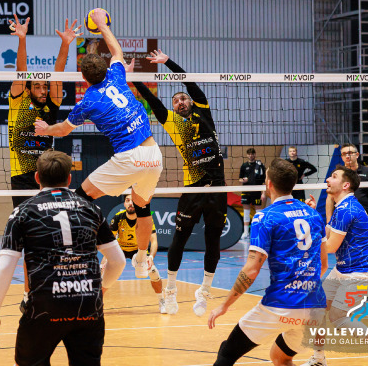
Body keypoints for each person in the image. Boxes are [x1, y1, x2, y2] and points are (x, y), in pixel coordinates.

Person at [34, 8, 163, 279]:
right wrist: (103, 25)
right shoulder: (117, 75)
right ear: (107, 69)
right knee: (143, 208)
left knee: (80, 198)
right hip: (154, 154)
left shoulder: (88, 101)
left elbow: (64, 130)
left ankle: (94, 251)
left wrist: (46, 129)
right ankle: (142, 260)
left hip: (129, 157)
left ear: (83, 79)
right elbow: (116, 51)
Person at [0, 150, 125, 365]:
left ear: (37, 177)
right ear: (69, 178)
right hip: (87, 305)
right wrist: (101, 291)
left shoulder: (23, 212)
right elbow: (118, 262)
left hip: (44, 307)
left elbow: (5, 268)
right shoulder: (92, 209)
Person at [131, 49, 226, 316]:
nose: (180, 102)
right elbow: (151, 99)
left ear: (191, 101)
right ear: (173, 107)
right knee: (179, 240)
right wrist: (133, 78)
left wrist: (167, 63)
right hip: (193, 187)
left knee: (213, 241)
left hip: (218, 186)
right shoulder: (171, 121)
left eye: (183, 98)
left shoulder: (203, 109)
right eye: (175, 101)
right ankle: (170, 291)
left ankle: (204, 292)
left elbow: (189, 82)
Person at [208, 158, 327, 366]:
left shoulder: (265, 217)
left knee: (227, 353)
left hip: (280, 305)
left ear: (269, 183)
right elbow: (323, 265)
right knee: (280, 357)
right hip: (314, 309)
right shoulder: (314, 215)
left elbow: (251, 270)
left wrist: (224, 306)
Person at [8, 15, 81, 311]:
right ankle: (29, 293)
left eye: (43, 86)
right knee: (27, 241)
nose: (41, 89)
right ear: (28, 88)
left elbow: (58, 71)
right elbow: (20, 70)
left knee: (53, 238)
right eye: (36, 86)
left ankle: (54, 287)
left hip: (48, 179)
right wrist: (22, 39)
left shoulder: (52, 106)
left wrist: (66, 45)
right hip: (22, 178)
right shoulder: (18, 100)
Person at [301, 165, 368, 366]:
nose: (328, 180)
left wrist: (307, 242)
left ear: (345, 185)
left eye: (333, 176)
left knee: (337, 316)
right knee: (316, 308)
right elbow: (327, 233)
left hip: (363, 274)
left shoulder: (348, 209)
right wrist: (312, 214)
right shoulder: (342, 207)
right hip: (344, 270)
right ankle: (318, 359)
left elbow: (329, 247)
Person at [326, 143, 368, 305]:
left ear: (357, 155)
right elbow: (330, 200)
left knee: (360, 252)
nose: (347, 155)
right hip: (341, 216)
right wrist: (329, 222)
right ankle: (355, 287)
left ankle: (365, 290)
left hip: (360, 217)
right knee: (345, 253)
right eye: (344, 153)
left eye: (350, 152)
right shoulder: (338, 178)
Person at [107, 194, 165, 313]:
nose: (130, 203)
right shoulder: (118, 217)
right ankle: (96, 303)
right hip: (120, 249)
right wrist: (104, 261)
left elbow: (154, 241)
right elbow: (109, 242)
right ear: (124, 204)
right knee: (103, 272)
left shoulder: (145, 218)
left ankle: (162, 300)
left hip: (139, 250)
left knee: (153, 271)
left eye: (133, 201)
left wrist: (151, 257)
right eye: (127, 200)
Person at [239, 148, 266, 240]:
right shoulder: (244, 165)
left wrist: (263, 193)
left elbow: (264, 181)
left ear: (255, 154)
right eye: (249, 154)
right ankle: (246, 232)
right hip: (246, 191)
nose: (251, 155)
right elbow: (240, 179)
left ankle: (259, 232)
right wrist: (243, 180)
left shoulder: (260, 165)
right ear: (247, 155)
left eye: (252, 154)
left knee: (258, 212)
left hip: (257, 191)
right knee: (246, 212)